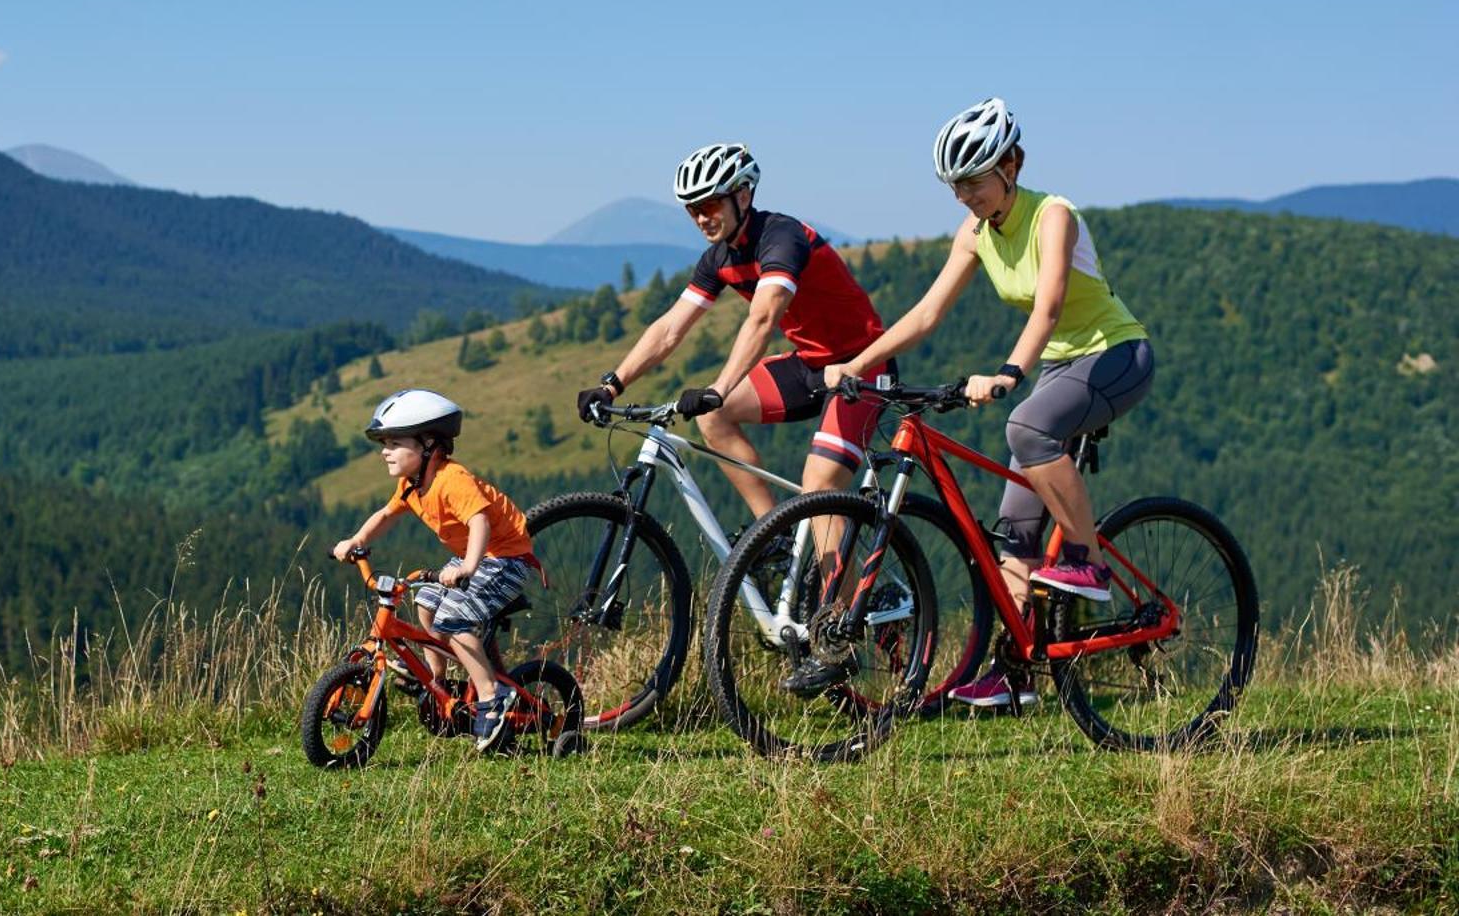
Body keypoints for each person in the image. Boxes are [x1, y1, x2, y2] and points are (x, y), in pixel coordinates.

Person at [824, 97, 1155, 709]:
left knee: (1027, 425)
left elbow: (1050, 306)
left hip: (1116, 354)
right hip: (1059, 366)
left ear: (1011, 166)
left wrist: (1008, 373)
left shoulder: (1054, 216)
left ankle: (1089, 561)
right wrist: (858, 364)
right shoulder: (975, 232)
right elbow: (926, 313)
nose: (962, 197)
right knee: (1013, 533)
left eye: (972, 181)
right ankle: (1015, 673)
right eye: (954, 186)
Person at [572, 142, 898, 693]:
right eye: (693, 208)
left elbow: (765, 316)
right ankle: (776, 533)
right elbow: (671, 328)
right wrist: (613, 380)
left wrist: (721, 386)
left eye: (712, 203)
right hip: (811, 366)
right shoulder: (719, 257)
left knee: (819, 482)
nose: (702, 216)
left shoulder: (782, 237)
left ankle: (837, 636)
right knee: (713, 423)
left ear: (743, 194)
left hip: (864, 366)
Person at [332, 388, 540, 751]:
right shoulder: (412, 484)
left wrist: (469, 567)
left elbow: (479, 522)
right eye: (384, 443)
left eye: (394, 443)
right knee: (426, 602)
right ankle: (437, 681)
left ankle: (492, 696)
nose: (385, 451)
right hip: (475, 557)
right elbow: (385, 515)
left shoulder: (451, 479)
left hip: (505, 557)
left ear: (428, 443)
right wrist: (356, 540)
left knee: (454, 619)